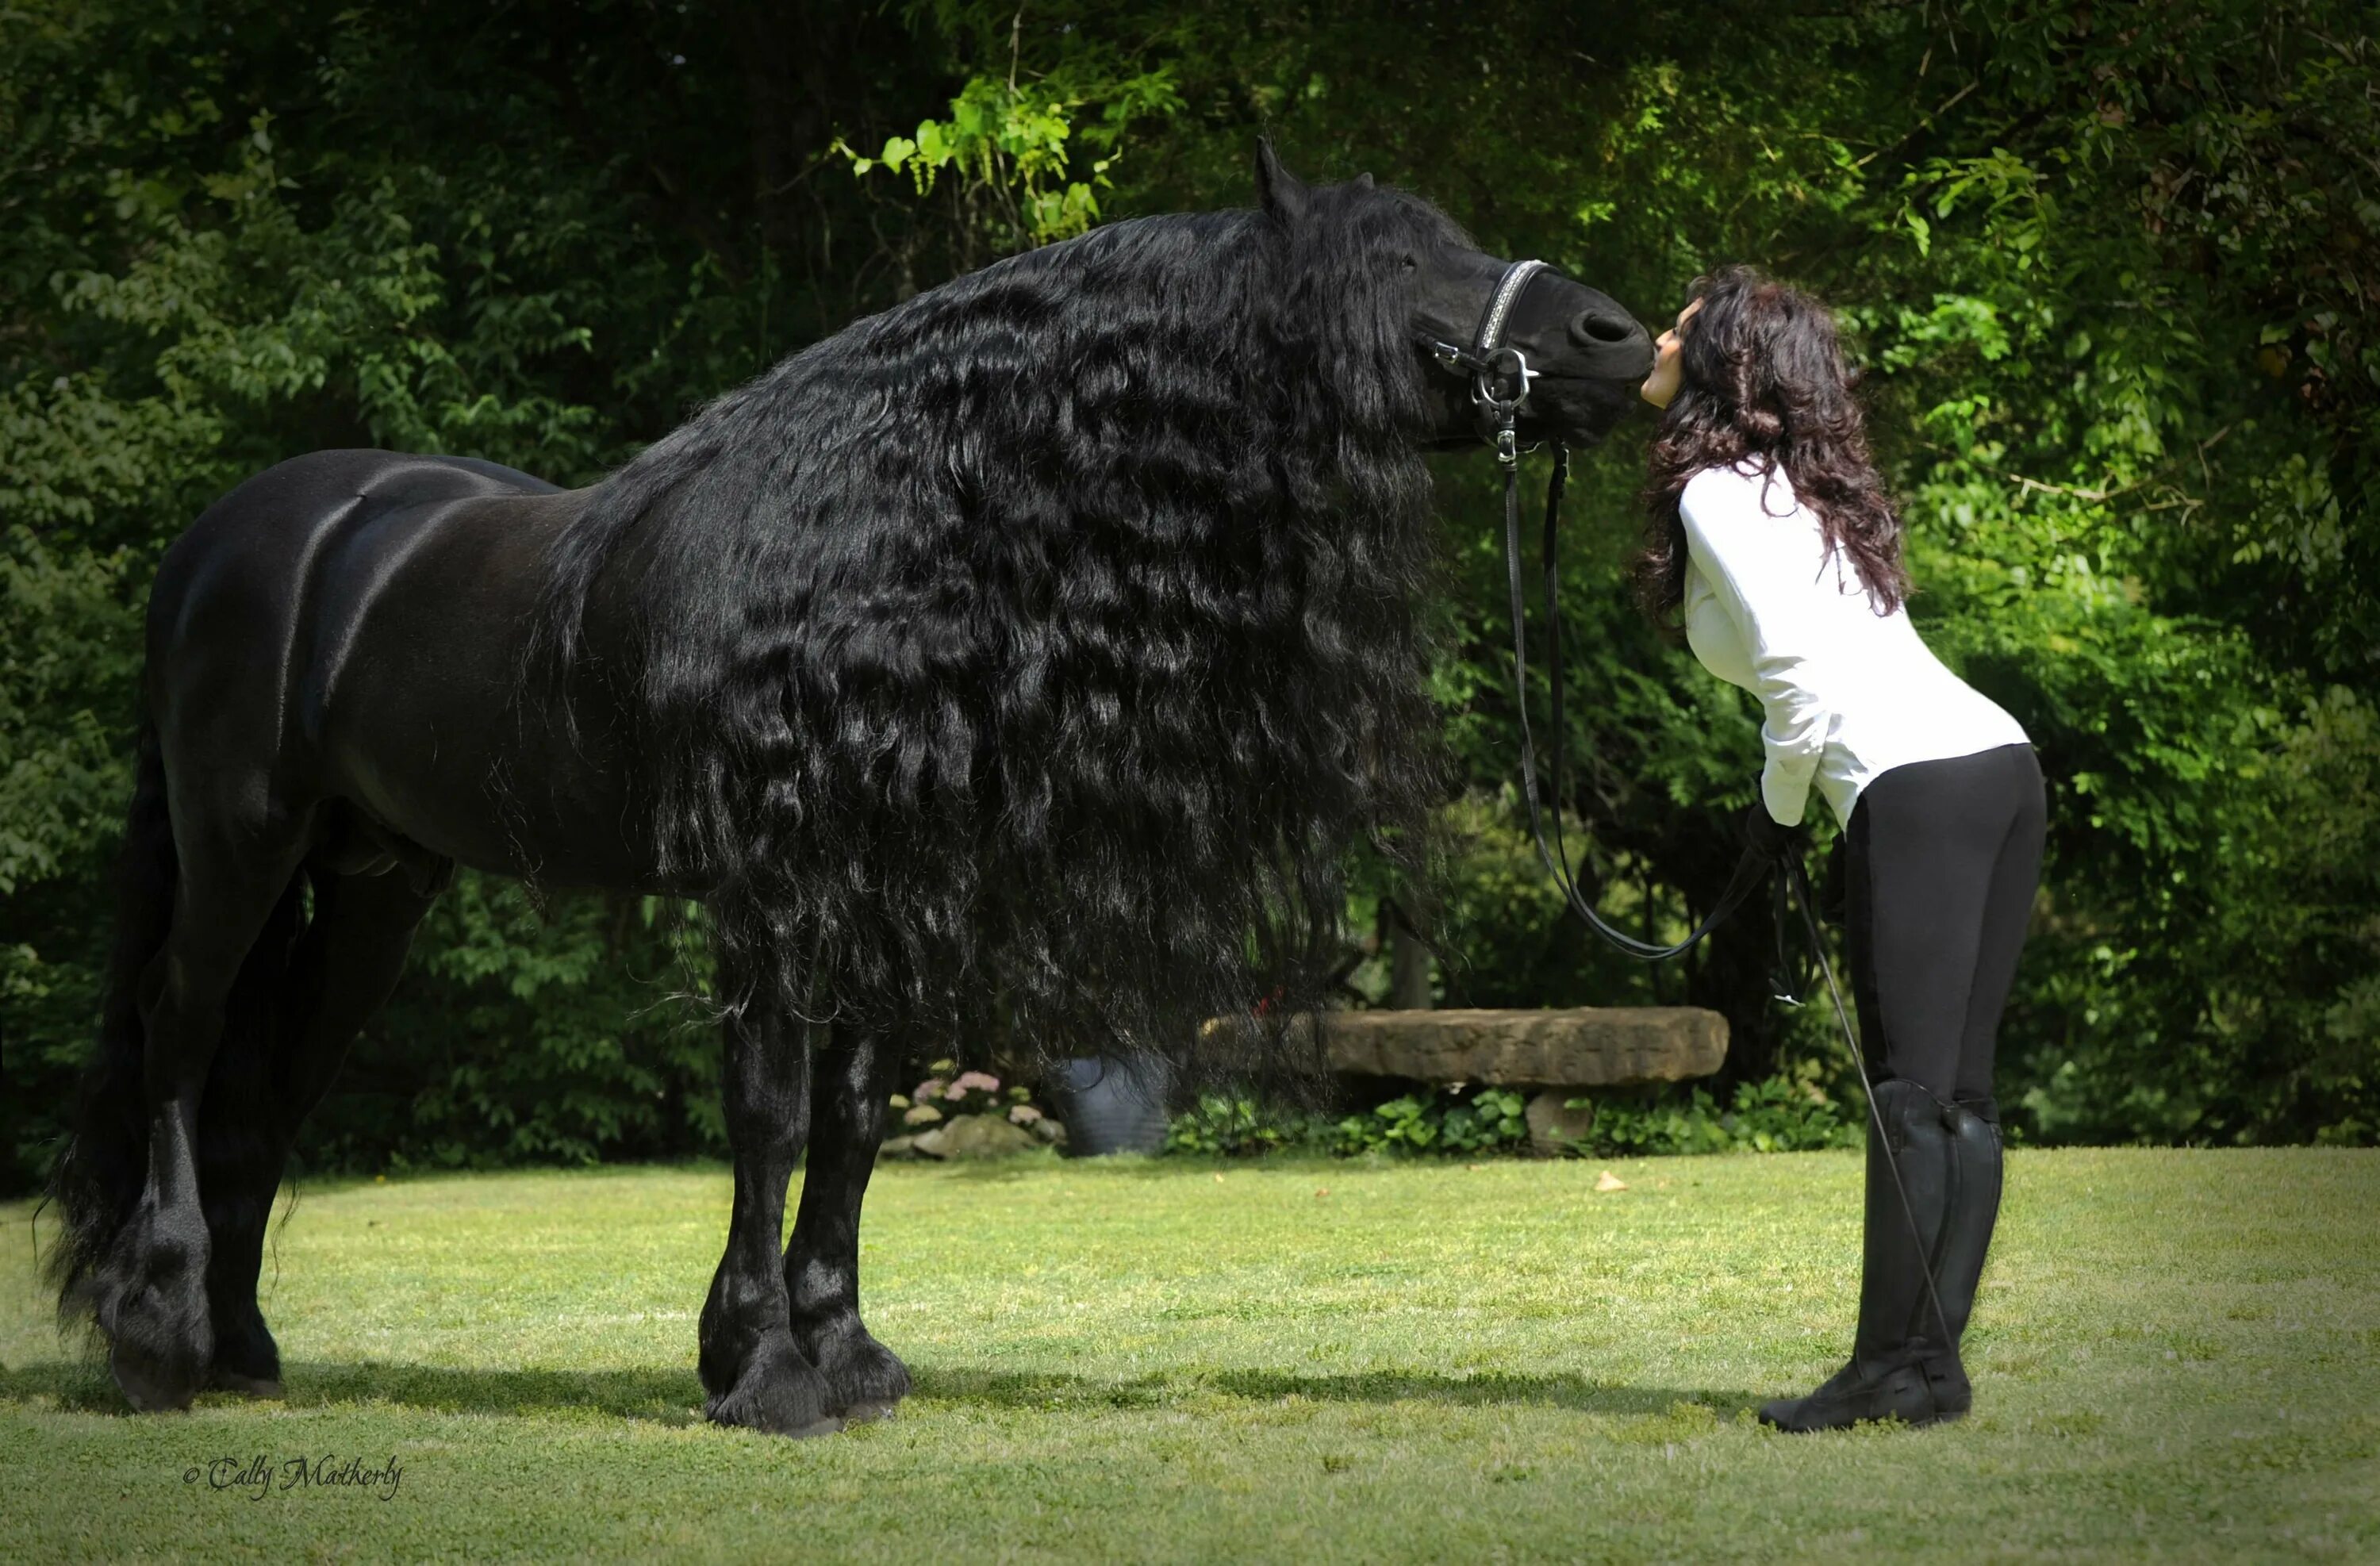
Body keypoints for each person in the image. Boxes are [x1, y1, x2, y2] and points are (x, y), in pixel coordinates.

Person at [1635, 264, 2047, 1431]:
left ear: (1718, 361)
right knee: (1959, 1092)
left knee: (1911, 1091)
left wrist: (1774, 812)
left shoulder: (1718, 486)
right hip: (2001, 768)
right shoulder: (1808, 484)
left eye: (1683, 322)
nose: (1660, 331)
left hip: (1914, 787)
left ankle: (1887, 1366)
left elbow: (1796, 675)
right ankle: (1929, 1367)